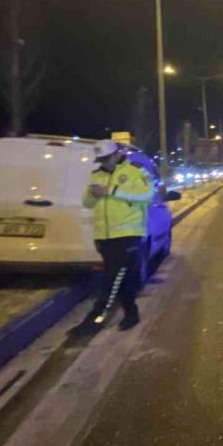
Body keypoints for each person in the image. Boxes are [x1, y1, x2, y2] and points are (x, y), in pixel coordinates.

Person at [69, 140, 155, 335]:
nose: (104, 163)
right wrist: (93, 194)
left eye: (107, 158)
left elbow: (147, 196)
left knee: (111, 279)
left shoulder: (135, 171)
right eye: (101, 160)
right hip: (104, 236)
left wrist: (112, 191)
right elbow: (87, 203)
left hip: (127, 234)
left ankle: (95, 320)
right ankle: (131, 314)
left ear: (117, 154)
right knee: (125, 278)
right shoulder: (97, 175)